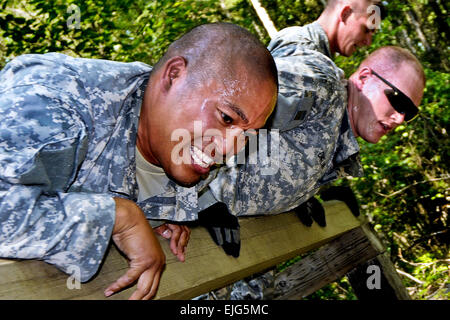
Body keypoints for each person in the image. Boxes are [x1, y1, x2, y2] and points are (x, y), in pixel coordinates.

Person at [0, 22, 278, 300]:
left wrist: (152, 218)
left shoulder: (191, 153)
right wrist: (119, 218)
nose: (230, 149)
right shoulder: (57, 97)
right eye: (226, 118)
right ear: (174, 75)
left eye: (247, 134)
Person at [194, 0, 385, 257]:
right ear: (347, 13)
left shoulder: (320, 58)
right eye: (366, 30)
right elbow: (235, 114)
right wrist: (204, 198)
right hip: (221, 206)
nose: (367, 42)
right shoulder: (300, 46)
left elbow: (288, 137)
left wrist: (306, 192)